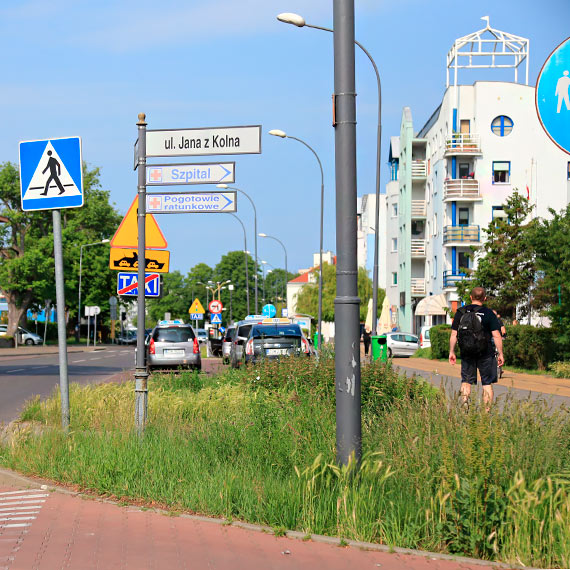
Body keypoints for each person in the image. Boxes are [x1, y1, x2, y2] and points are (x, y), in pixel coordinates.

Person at [449, 287, 504, 410]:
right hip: (486, 353)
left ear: (470, 297)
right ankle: (486, 415)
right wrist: (500, 354)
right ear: (484, 298)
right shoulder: (489, 313)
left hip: (467, 353)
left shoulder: (460, 312)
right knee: (487, 383)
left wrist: (452, 352)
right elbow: (496, 335)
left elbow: (454, 335)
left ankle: (464, 410)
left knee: (466, 382)